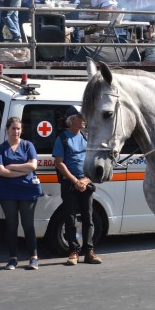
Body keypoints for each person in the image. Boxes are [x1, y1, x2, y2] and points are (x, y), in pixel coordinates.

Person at [53, 106, 102, 265]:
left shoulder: (87, 138)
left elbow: (94, 162)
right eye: (81, 117)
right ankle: (73, 251)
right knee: (70, 218)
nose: (84, 120)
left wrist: (86, 180)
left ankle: (89, 251)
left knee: (88, 218)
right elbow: (59, 163)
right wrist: (75, 181)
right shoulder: (62, 138)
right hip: (69, 184)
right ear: (72, 120)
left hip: (85, 183)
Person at [0, 116, 42, 270]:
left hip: (28, 191)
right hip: (7, 192)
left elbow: (33, 166)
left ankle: (33, 257)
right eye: (13, 128)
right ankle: (13, 258)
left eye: (19, 128)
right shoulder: (0, 148)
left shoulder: (28, 145)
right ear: (7, 130)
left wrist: (12, 166)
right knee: (11, 225)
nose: (16, 131)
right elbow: (0, 171)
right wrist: (22, 169)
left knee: (28, 225)